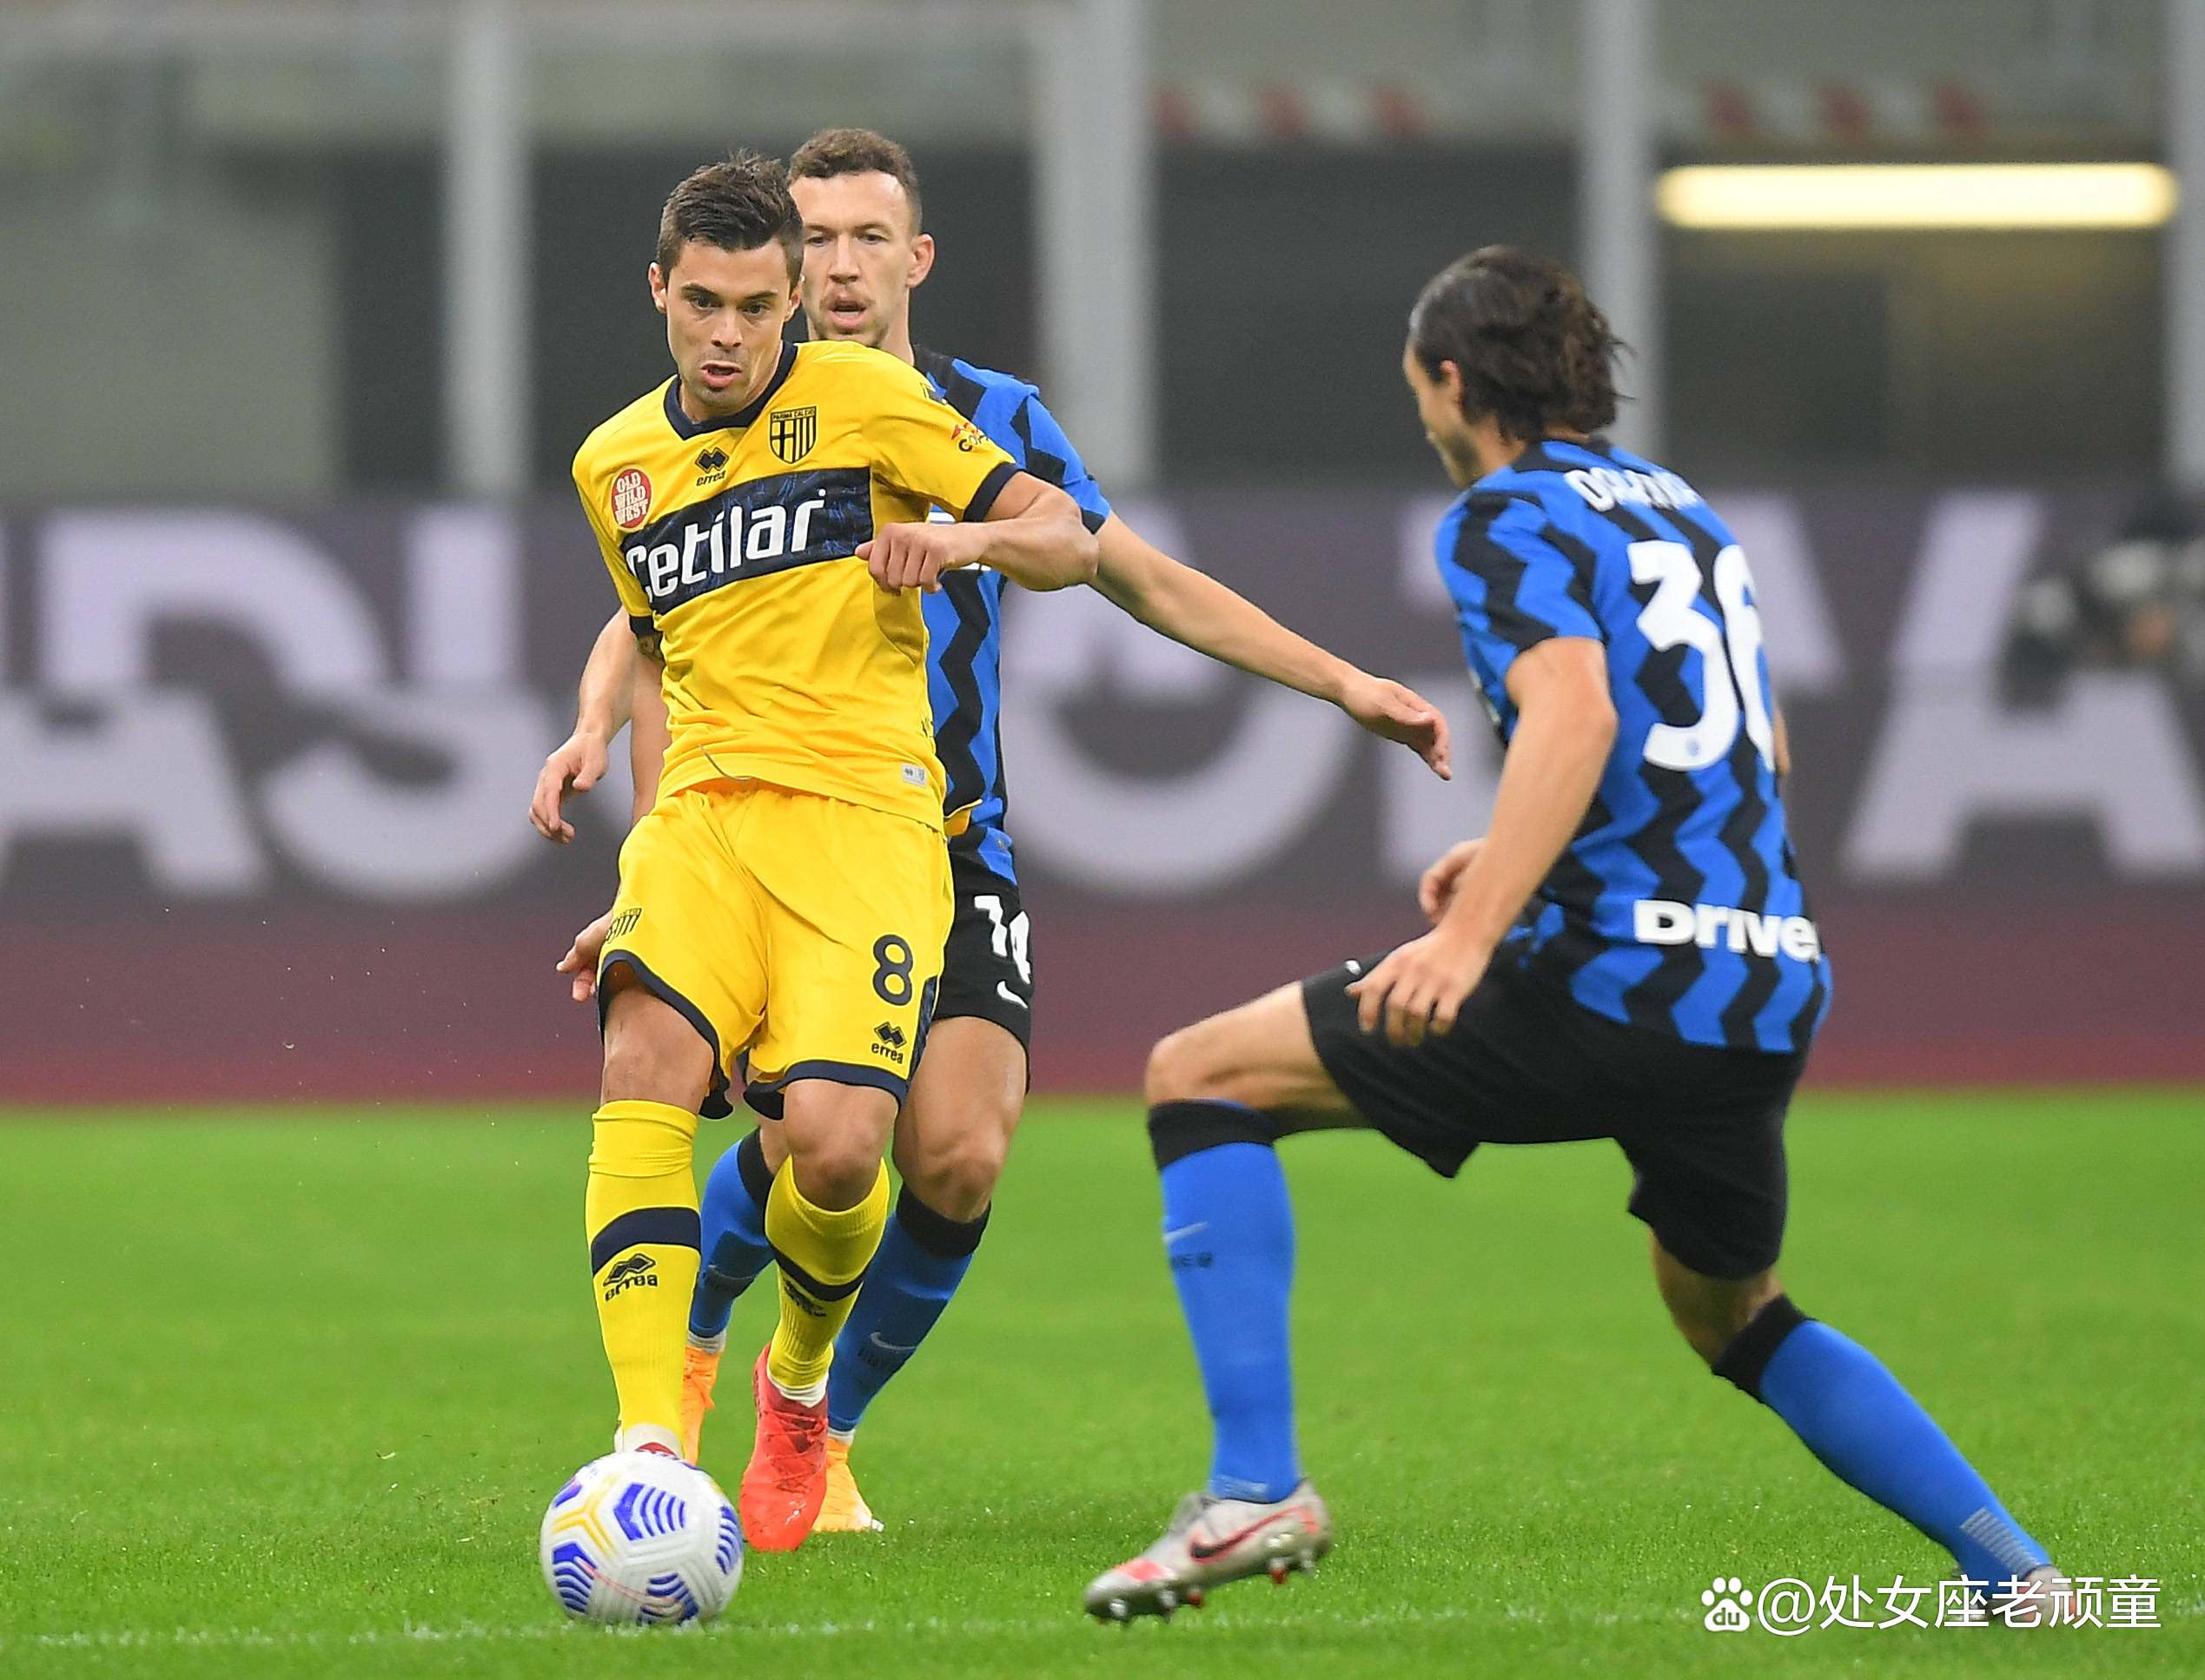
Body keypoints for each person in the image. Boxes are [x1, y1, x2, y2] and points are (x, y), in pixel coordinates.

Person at [1083, 247, 2069, 1624]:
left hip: (1620, 977)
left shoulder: (1501, 514)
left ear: (1448, 380)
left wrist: (1474, 934)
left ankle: (1253, 1488)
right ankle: (2021, 1577)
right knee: (1732, 1312)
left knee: (1200, 1074)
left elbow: (1579, 715)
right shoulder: (1683, 512)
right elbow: (1754, 749)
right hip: (1761, 977)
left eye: (1416, 388)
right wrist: (1524, 858)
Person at [533, 128, 1453, 1538]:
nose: (837, 266)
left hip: (939, 833)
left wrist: (1337, 681)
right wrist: (612, 753)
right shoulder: (688, 432)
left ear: (913, 260)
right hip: (750, 820)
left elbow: (1125, 568)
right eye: (814, 237)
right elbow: (657, 613)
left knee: (945, 1152)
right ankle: (680, 1372)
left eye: (863, 239)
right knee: (767, 1113)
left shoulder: (973, 415)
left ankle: (816, 1416)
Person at [566, 149, 1097, 1553]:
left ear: (793, 302)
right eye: (704, 304)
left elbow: (1066, 538)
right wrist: (635, 865)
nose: (727, 335)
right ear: (659, 292)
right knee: (641, 1061)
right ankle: (647, 1444)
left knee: (844, 1146)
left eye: (757, 307)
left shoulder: (870, 399)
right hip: (706, 821)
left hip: (869, 820)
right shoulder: (612, 465)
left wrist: (962, 542)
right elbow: (663, 650)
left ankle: (797, 1383)